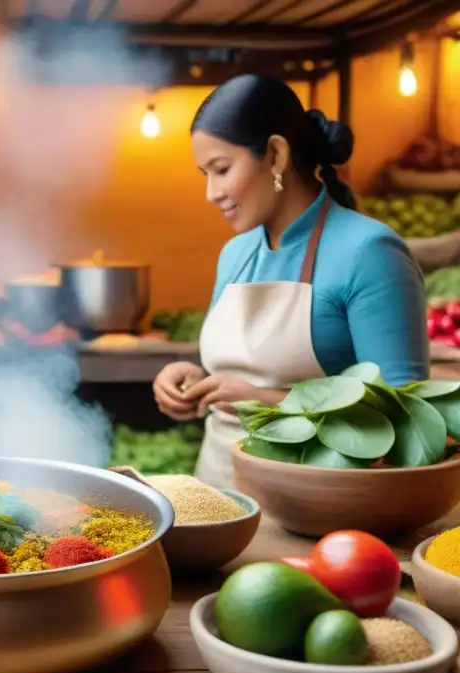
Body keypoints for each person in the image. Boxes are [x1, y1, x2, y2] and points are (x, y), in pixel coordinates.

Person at [152, 74, 428, 489]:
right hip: (217, 495)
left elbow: (407, 420)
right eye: (204, 174)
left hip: (311, 507)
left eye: (222, 169)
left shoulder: (369, 252)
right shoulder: (236, 253)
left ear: (276, 155)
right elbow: (237, 376)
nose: (211, 192)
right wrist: (190, 380)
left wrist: (265, 402)